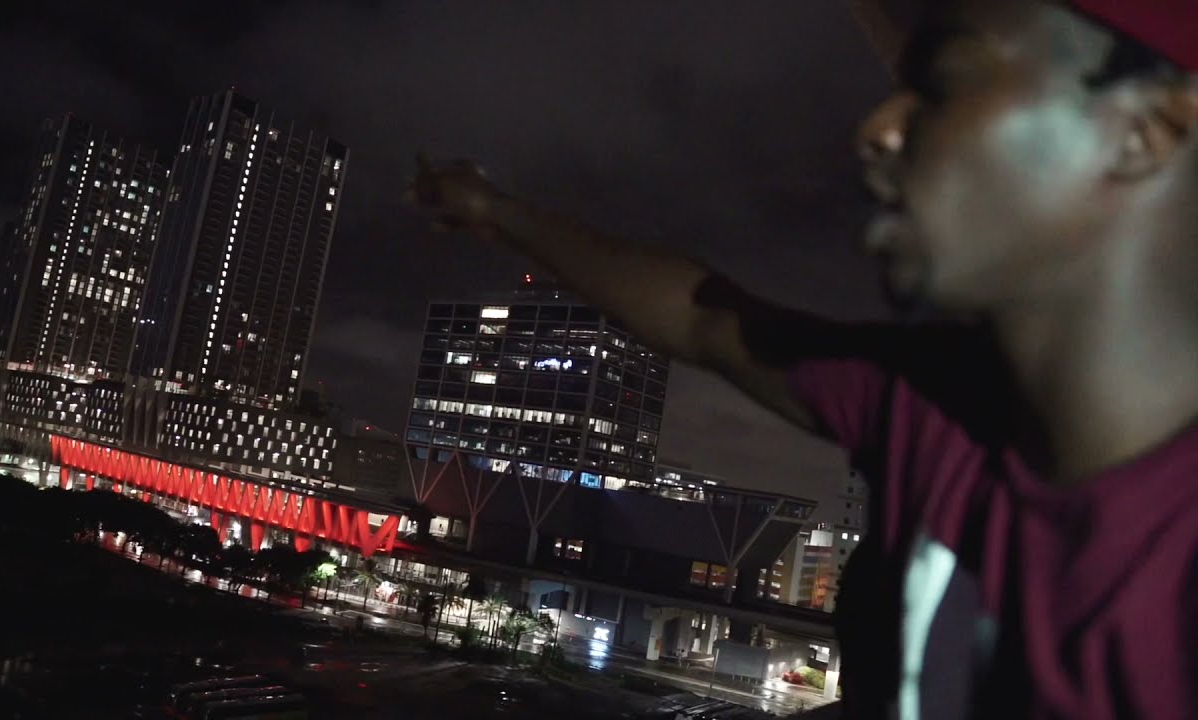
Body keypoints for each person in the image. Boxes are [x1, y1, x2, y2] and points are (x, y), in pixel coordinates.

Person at [406, 1, 1197, 717]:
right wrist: (493, 211)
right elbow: (703, 318)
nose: (876, 129)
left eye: (944, 82)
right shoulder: (926, 411)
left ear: (1146, 132)